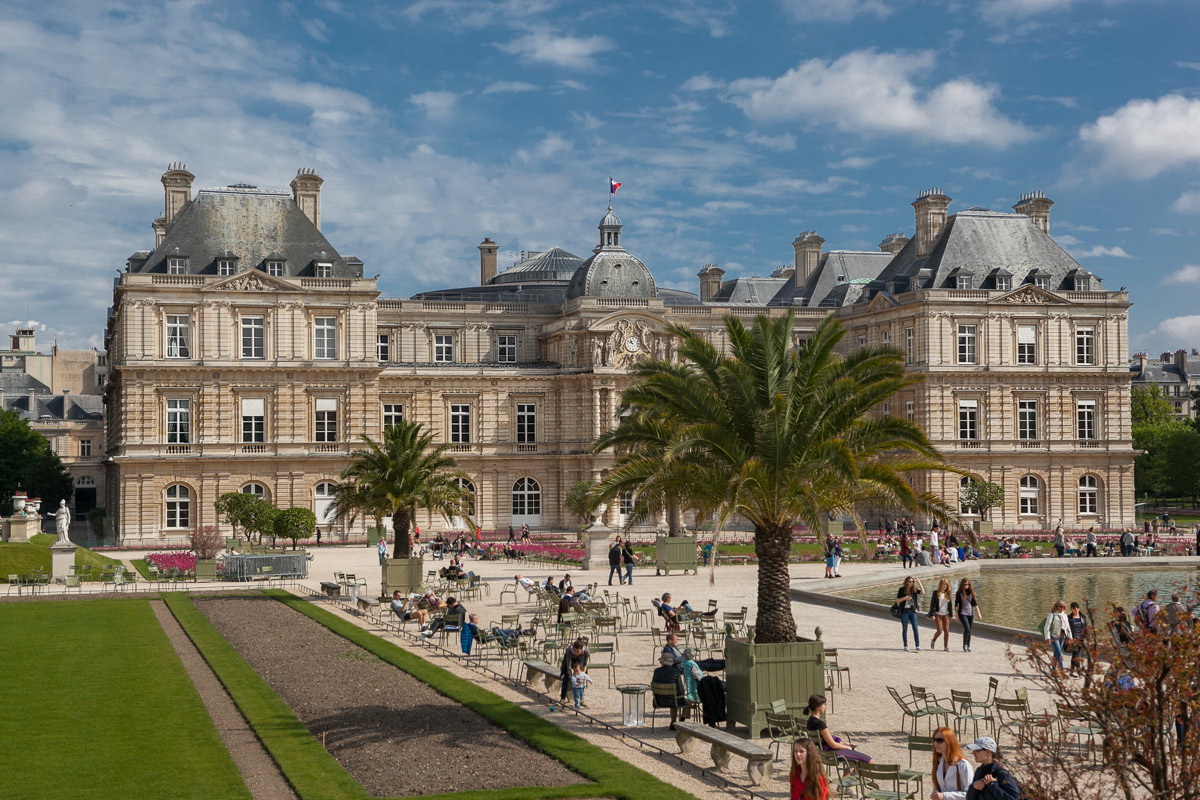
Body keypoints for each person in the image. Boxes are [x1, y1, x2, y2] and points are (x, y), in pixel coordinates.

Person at [805, 694, 870, 762]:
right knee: (867, 760)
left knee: (853, 761)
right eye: (824, 704)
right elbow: (833, 745)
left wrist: (842, 744)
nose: (825, 707)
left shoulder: (810, 721)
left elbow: (827, 741)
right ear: (818, 707)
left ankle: (847, 773)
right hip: (831, 753)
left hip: (822, 752)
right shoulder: (820, 724)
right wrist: (848, 747)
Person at [650, 653, 690, 730]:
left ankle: (673, 721)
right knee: (687, 701)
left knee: (673, 697)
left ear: (662, 662)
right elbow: (681, 690)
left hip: (659, 701)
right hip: (673, 701)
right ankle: (681, 722)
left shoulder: (656, 671)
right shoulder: (676, 672)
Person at [931, 726, 972, 800]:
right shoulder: (939, 762)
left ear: (949, 742)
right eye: (934, 740)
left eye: (940, 740)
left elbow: (970, 794)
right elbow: (939, 787)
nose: (935, 743)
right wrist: (935, 793)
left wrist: (944, 796)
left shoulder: (963, 765)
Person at [896, 575, 925, 652]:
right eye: (910, 581)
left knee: (915, 628)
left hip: (912, 611)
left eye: (912, 582)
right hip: (904, 611)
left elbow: (923, 593)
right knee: (905, 628)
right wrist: (905, 598)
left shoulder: (914, 590)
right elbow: (897, 600)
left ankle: (917, 645)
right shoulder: (901, 590)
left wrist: (919, 582)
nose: (911, 583)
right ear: (906, 582)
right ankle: (905, 645)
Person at [559, 638, 589, 703]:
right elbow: (568, 664)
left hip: (580, 659)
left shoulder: (586, 652)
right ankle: (562, 697)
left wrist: (582, 673)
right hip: (570, 659)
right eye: (575, 651)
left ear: (581, 650)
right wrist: (569, 671)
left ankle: (581, 699)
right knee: (566, 678)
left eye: (578, 651)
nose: (576, 653)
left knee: (581, 679)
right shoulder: (569, 650)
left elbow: (585, 664)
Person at [955, 578, 981, 652]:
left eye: (967, 584)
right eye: (965, 584)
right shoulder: (959, 592)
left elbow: (975, 603)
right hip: (962, 613)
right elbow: (956, 604)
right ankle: (965, 645)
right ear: (962, 585)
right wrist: (956, 614)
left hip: (970, 613)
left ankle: (968, 646)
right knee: (967, 628)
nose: (966, 586)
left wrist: (978, 613)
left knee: (970, 630)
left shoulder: (970, 592)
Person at [1043, 600, 1070, 672]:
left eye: (1064, 607)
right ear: (1057, 607)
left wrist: (1070, 637)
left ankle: (1054, 669)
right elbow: (1047, 626)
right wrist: (1047, 637)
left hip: (1062, 636)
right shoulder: (1052, 615)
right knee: (1059, 653)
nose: (1062, 608)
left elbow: (1067, 627)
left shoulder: (1064, 616)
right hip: (1054, 636)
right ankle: (1061, 670)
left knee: (1056, 653)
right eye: (1060, 606)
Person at [929, 578, 953, 651]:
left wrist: (951, 615)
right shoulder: (936, 592)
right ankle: (933, 640)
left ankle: (946, 647)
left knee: (946, 631)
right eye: (943, 584)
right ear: (940, 585)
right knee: (939, 631)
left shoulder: (948, 593)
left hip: (946, 614)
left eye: (946, 584)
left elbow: (950, 605)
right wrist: (932, 614)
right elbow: (932, 604)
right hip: (938, 614)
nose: (945, 586)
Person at [1067, 602, 1088, 676]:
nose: (1076, 609)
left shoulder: (1083, 617)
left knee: (1075, 656)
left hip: (1081, 639)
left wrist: (1087, 637)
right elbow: (1067, 629)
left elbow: (1086, 629)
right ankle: (1079, 672)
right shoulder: (1069, 618)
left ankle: (1071, 671)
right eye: (1074, 608)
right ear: (1071, 609)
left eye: (1077, 608)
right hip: (1073, 639)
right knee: (1076, 655)